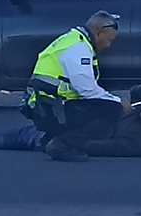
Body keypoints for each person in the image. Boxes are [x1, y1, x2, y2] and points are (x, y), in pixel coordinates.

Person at [24, 11, 130, 162]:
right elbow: (86, 89)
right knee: (111, 109)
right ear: (98, 33)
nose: (109, 45)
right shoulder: (79, 48)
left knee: (100, 104)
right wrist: (119, 101)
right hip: (51, 110)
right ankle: (62, 145)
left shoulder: (73, 40)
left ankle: (50, 140)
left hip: (46, 106)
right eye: (109, 40)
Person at [0, 92, 141, 160]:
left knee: (22, 138)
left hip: (74, 136)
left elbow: (108, 147)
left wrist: (74, 143)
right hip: (78, 123)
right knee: (20, 134)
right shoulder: (138, 112)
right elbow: (138, 94)